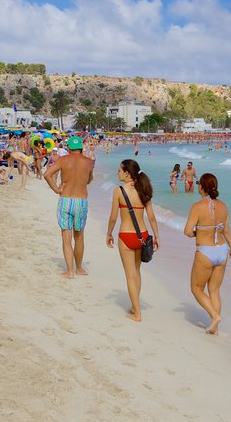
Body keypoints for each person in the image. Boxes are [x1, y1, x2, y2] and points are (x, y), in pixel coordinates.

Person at [183, 173, 231, 335]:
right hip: (222, 250)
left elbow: (187, 231)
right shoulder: (223, 206)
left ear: (202, 187)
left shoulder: (197, 206)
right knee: (214, 290)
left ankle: (214, 316)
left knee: (196, 288)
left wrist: (198, 234)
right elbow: (226, 230)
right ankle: (215, 329)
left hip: (205, 252)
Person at [105, 159, 160, 321]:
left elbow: (113, 218)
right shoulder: (144, 189)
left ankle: (137, 313)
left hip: (126, 236)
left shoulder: (119, 191)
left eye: (119, 170)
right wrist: (157, 236)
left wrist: (109, 234)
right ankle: (135, 305)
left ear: (127, 173)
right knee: (136, 272)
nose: (117, 172)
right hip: (142, 235)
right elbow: (151, 217)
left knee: (129, 276)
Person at [43, 136, 95, 278]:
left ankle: (69, 271)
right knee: (79, 237)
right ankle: (79, 268)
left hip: (66, 199)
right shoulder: (89, 162)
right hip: (81, 201)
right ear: (81, 148)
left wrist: (56, 189)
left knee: (66, 237)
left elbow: (47, 174)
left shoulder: (63, 160)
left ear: (69, 148)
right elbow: (89, 180)